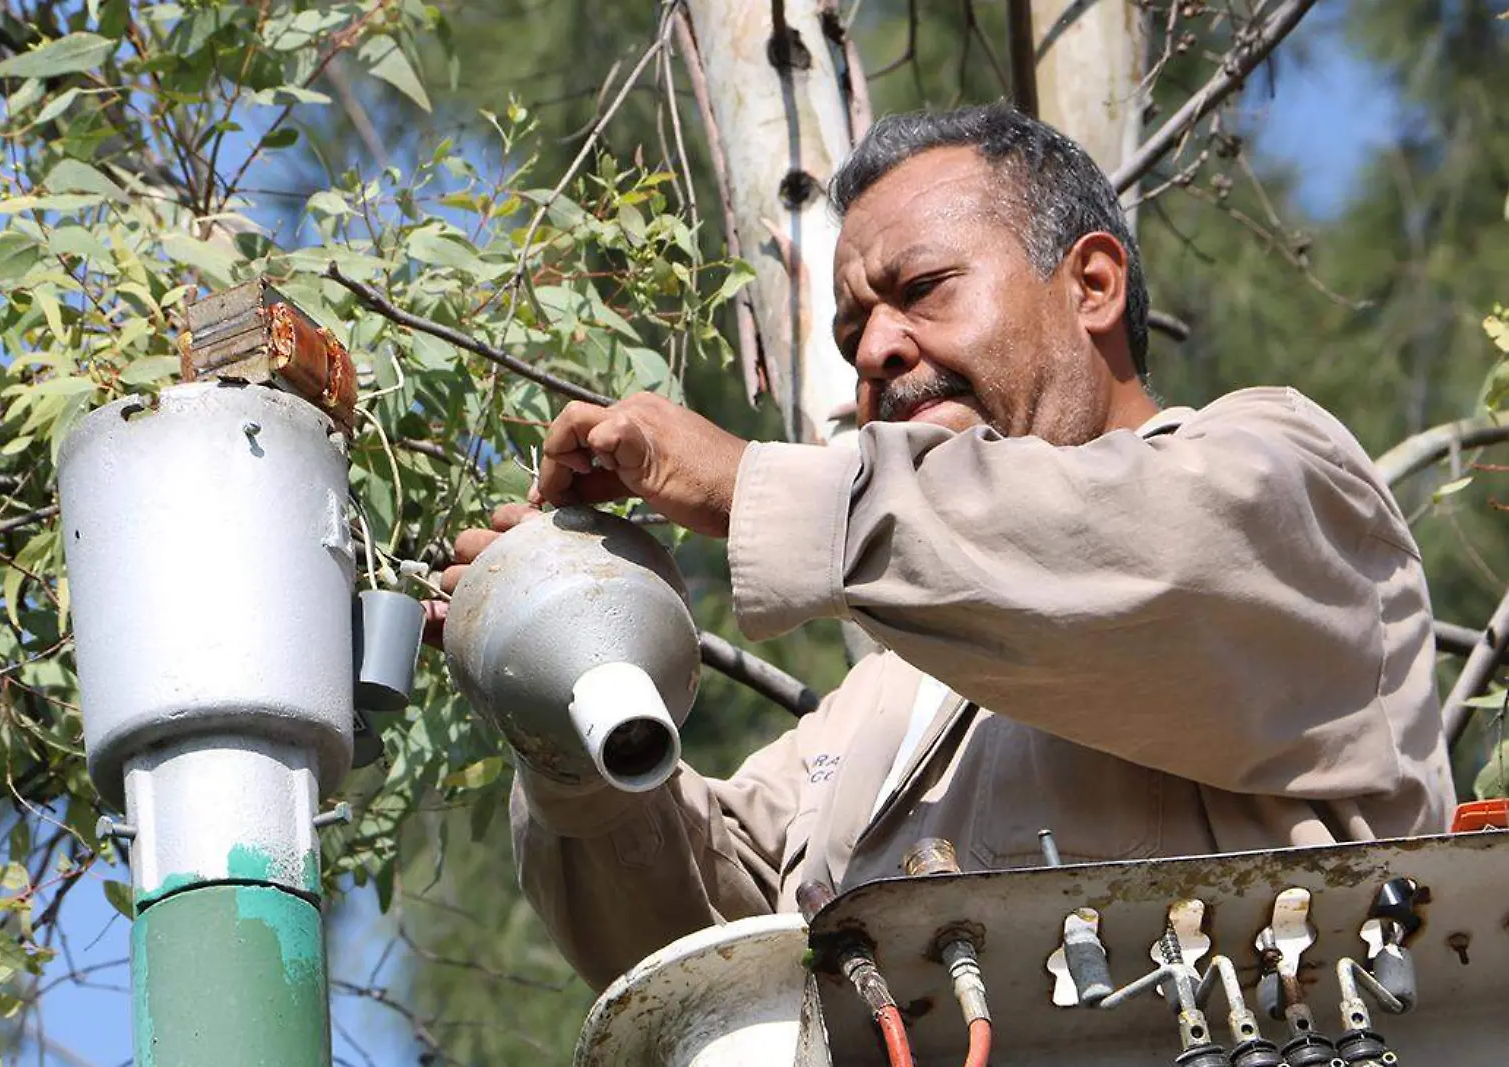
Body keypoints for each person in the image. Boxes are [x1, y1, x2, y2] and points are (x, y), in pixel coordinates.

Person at [426, 104, 1456, 1009]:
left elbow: (1145, 555)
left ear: (1091, 283)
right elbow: (691, 951)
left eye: (920, 288)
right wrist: (559, 670)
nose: (874, 351)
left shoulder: (1279, 482)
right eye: (852, 331)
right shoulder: (884, 702)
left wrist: (746, 483)